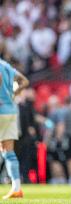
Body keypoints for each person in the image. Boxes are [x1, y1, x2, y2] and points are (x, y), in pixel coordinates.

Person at [0, 58, 29, 199]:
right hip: (11, 110)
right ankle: (16, 188)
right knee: (8, 151)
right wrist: (13, 94)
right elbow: (24, 81)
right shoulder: (6, 65)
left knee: (6, 151)